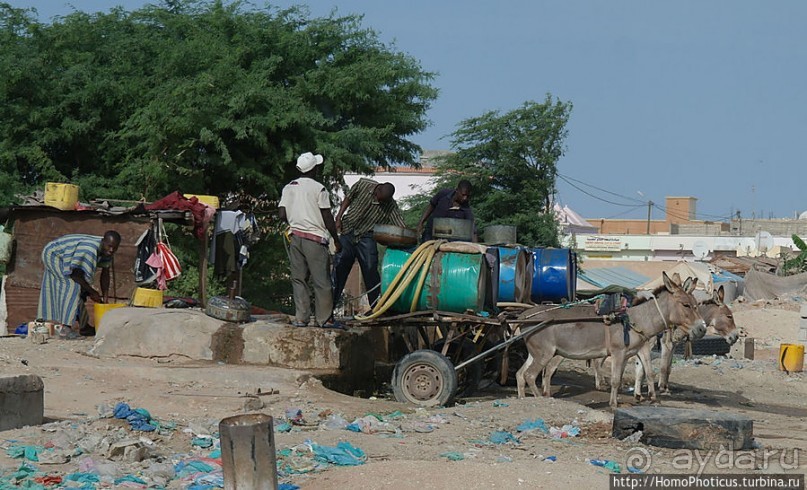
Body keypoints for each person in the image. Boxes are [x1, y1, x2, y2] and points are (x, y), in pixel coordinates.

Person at [279, 152, 342, 328]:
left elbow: (282, 213)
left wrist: (295, 221)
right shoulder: (319, 188)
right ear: (314, 169)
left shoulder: (288, 187)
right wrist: (336, 239)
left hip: (295, 237)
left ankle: (301, 317)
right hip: (315, 239)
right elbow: (327, 217)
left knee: (299, 279)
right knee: (322, 281)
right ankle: (324, 319)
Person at [333, 178, 405, 308]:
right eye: (378, 198)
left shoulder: (390, 205)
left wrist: (407, 236)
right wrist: (338, 217)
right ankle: (329, 307)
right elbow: (348, 199)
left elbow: (399, 223)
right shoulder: (363, 184)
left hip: (367, 236)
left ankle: (376, 307)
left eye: (383, 201)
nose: (379, 202)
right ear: (378, 189)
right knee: (340, 267)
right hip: (348, 231)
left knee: (371, 269)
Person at [37, 231, 121, 336]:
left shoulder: (108, 251)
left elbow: (105, 275)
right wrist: (91, 291)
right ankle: (65, 328)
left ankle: (84, 327)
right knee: (71, 287)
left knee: (80, 290)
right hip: (55, 254)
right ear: (103, 242)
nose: (111, 250)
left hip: (69, 260)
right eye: (109, 246)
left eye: (115, 248)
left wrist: (105, 299)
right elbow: (75, 275)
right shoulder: (90, 249)